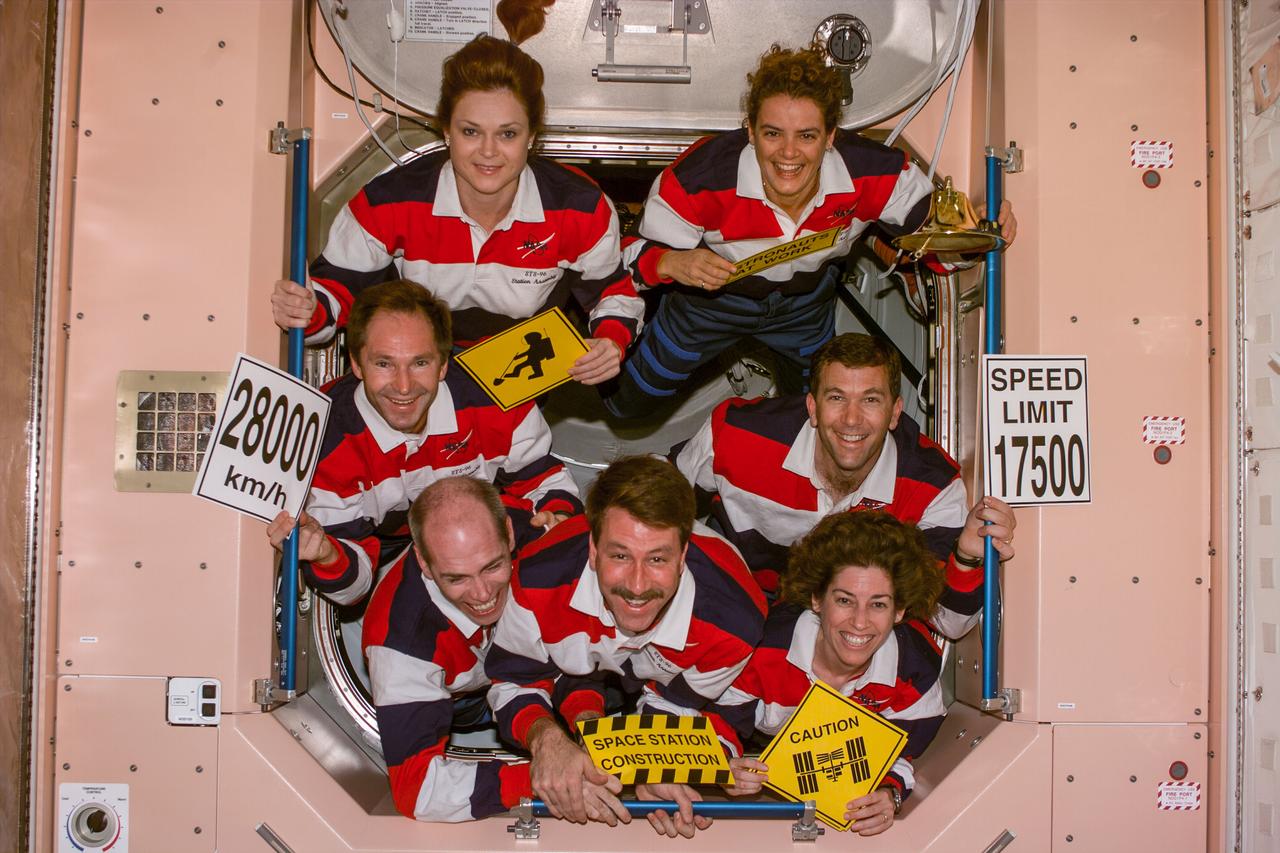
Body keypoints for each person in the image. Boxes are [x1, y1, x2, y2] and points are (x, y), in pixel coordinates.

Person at [607, 43, 1015, 416]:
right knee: (628, 402)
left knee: (812, 414)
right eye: (772, 134)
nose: (788, 153)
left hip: (805, 305)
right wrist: (671, 262)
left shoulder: (875, 173)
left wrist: (979, 233)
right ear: (750, 131)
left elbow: (937, 239)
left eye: (806, 136)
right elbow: (626, 261)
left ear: (831, 137)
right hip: (711, 303)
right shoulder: (699, 177)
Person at [270, 34, 643, 387]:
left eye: (508, 134)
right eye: (470, 131)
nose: (488, 151)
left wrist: (611, 341)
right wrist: (306, 310)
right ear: (446, 131)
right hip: (417, 363)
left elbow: (614, 290)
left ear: (531, 137)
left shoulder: (578, 207)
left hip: (518, 369)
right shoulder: (391, 201)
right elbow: (333, 294)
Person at [485, 456, 767, 838]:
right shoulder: (539, 574)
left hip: (657, 685)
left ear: (683, 557)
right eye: (620, 555)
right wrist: (547, 741)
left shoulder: (734, 618)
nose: (637, 585)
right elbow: (513, 680)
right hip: (574, 668)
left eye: (657, 559)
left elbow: (673, 705)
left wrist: (650, 769)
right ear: (593, 549)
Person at [673, 333, 1015, 639]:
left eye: (870, 400)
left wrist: (967, 556)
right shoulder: (739, 434)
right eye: (837, 398)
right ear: (813, 407)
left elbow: (950, 624)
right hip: (744, 592)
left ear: (895, 413)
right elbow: (659, 495)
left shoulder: (931, 485)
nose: (852, 419)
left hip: (854, 623)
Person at [266, 280, 581, 606]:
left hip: (475, 531)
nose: (404, 387)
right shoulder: (326, 440)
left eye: (420, 363)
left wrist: (556, 515)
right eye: (384, 363)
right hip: (383, 538)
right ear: (357, 364)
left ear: (443, 363)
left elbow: (544, 479)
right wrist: (327, 555)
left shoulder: (495, 394)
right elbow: (353, 590)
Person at [718, 512, 947, 836]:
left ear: (899, 611)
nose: (859, 621)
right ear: (816, 598)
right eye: (844, 600)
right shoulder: (759, 647)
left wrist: (889, 792)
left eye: (878, 604)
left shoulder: (914, 670)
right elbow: (713, 720)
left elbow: (903, 752)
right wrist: (724, 765)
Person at [361, 476, 532, 821]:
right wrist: (540, 779)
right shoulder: (399, 644)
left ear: (509, 535)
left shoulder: (536, 530)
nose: (483, 594)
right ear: (424, 563)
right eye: (457, 578)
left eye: (493, 566)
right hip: (464, 699)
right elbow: (416, 790)